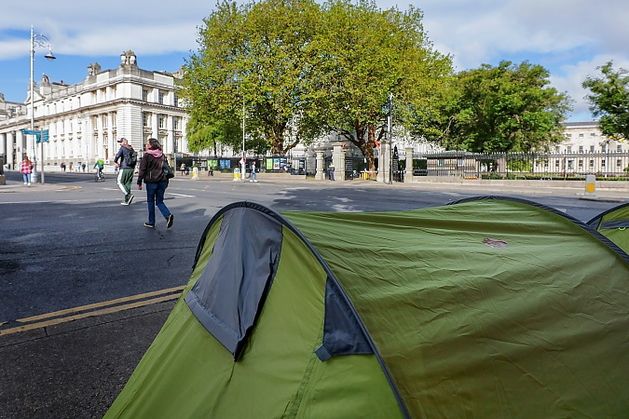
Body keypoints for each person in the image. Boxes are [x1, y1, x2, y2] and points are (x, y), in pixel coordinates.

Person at [137, 138, 174, 229]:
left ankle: (151, 222)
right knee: (159, 201)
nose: (145, 145)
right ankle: (167, 215)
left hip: (151, 181)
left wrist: (139, 181)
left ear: (150, 145)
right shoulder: (162, 155)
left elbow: (142, 169)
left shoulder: (147, 156)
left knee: (150, 201)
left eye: (147, 144)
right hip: (162, 181)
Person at [114, 138, 137, 205]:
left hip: (124, 167)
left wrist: (115, 161)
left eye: (120, 142)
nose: (120, 144)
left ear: (124, 142)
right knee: (127, 184)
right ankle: (127, 201)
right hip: (131, 168)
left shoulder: (123, 148)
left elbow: (118, 155)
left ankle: (128, 195)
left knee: (120, 182)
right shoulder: (131, 148)